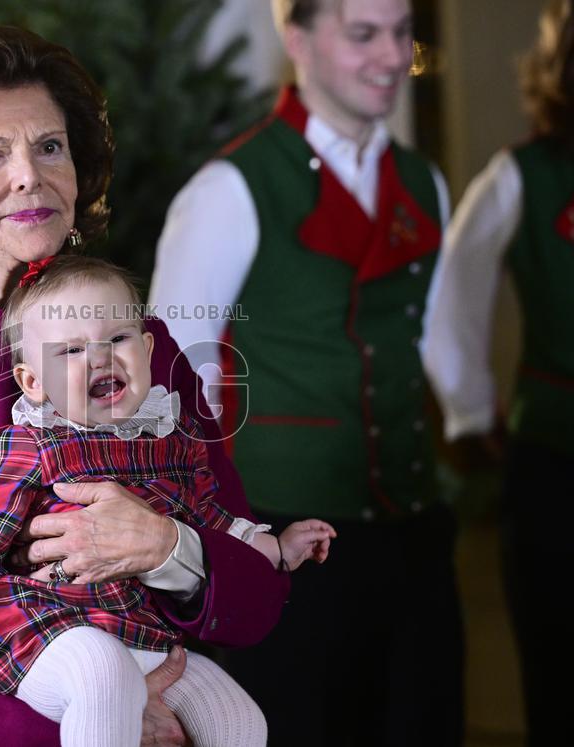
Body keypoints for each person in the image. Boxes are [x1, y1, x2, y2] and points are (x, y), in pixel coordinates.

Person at [0, 25, 291, 747]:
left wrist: (167, 547)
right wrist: (102, 717)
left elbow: (255, 602)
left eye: (49, 146)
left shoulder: (147, 346)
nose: (29, 176)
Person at [149, 1, 463, 744]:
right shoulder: (231, 188)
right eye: (363, 34)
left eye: (400, 31)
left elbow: (432, 339)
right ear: (297, 39)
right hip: (286, 541)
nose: (392, 55)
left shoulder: (423, 181)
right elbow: (172, 384)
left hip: (412, 527)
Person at [0, 256, 337, 747]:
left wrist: (274, 548)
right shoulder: (31, 445)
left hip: (143, 633)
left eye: (117, 339)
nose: (100, 359)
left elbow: (210, 518)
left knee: (239, 719)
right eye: (72, 350)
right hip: (45, 630)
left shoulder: (172, 439)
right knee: (103, 672)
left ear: (147, 350)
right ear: (33, 382)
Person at [422, 1, 574, 743]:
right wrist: (472, 411)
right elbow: (451, 294)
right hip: (555, 454)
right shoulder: (526, 173)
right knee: (557, 663)